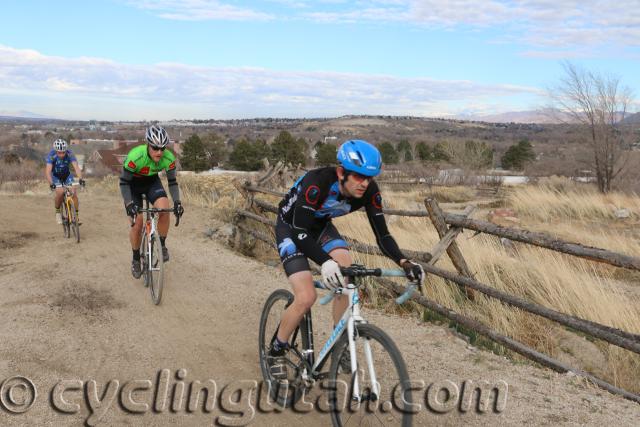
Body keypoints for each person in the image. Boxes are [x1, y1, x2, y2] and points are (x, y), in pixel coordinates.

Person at [269, 139, 424, 373]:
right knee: (306, 297)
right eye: (358, 177)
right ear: (342, 172)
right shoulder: (317, 183)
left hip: (319, 225)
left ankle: (339, 342)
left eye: (369, 177)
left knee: (345, 270)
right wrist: (325, 262)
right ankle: (276, 350)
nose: (364, 183)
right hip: (291, 228)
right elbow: (300, 231)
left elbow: (383, 236)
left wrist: (404, 262)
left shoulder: (369, 192)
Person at [119, 125, 184, 278]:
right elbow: (124, 183)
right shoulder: (135, 156)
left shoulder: (168, 157)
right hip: (132, 186)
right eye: (155, 148)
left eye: (162, 148)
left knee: (164, 209)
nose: (159, 152)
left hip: (151, 183)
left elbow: (173, 182)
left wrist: (177, 202)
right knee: (138, 223)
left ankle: (161, 244)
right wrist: (129, 204)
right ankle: (136, 258)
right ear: (148, 145)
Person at [45, 138, 85, 224]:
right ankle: (58, 212)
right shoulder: (51, 155)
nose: (62, 154)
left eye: (63, 152)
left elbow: (76, 168)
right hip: (55, 176)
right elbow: (48, 172)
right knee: (60, 192)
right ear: (56, 151)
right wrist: (51, 183)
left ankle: (76, 216)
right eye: (59, 152)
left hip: (67, 175)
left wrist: (81, 179)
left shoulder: (70, 154)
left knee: (73, 192)